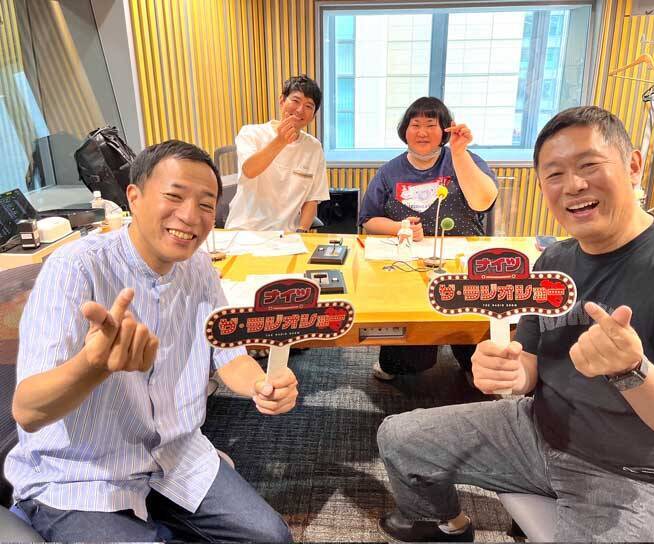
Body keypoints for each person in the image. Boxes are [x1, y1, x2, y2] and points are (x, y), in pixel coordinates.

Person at [376, 106, 654, 542]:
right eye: (554, 174)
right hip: (540, 430)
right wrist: (510, 372)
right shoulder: (553, 260)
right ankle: (441, 523)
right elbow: (531, 365)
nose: (573, 185)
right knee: (398, 436)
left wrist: (632, 371)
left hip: (636, 473)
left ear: (633, 165)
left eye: (589, 165)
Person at [7, 140, 298, 543]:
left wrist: (261, 385)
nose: (190, 216)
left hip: (175, 457)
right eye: (174, 196)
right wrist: (92, 367)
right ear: (134, 196)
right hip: (83, 474)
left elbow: (229, 355)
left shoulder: (198, 266)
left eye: (206, 204)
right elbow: (27, 411)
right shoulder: (75, 268)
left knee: (271, 537)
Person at [359, 96, 498, 382]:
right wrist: (399, 227)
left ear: (445, 129)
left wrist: (459, 153)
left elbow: (483, 201)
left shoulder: (465, 159)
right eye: (416, 124)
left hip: (461, 264)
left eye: (431, 124)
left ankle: (469, 359)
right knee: (406, 358)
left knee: (473, 353)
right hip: (409, 266)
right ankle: (402, 360)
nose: (422, 132)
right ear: (405, 130)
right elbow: (368, 219)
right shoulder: (389, 172)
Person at [225, 75, 330, 232]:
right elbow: (249, 170)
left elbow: (312, 198)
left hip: (286, 235)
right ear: (282, 101)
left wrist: (302, 231)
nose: (300, 110)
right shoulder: (251, 133)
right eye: (295, 101)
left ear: (313, 116)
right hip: (245, 230)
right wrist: (280, 141)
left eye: (309, 106)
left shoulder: (314, 147)